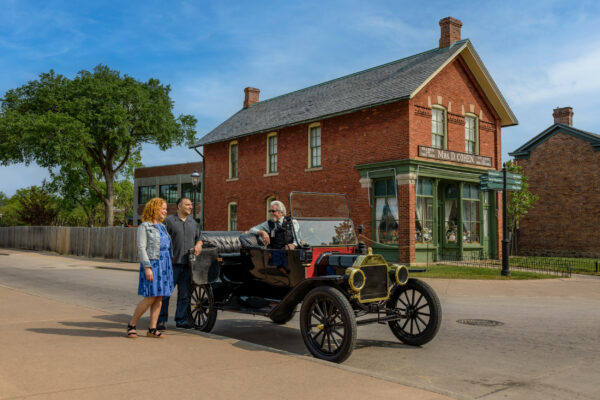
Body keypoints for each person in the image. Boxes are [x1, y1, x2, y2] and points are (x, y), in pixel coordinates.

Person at [127, 198, 174, 339]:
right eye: (163, 208)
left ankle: (152, 329)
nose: (165, 211)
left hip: (165, 264)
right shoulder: (144, 226)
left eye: (166, 209)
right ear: (154, 208)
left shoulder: (162, 226)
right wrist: (147, 267)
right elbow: (141, 248)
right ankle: (132, 325)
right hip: (152, 264)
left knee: (159, 297)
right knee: (150, 297)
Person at [157, 197, 203, 331]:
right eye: (187, 204)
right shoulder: (169, 221)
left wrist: (199, 245)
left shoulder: (194, 223)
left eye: (191, 205)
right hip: (171, 264)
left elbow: (199, 238)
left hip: (188, 266)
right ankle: (161, 320)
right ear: (179, 206)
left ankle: (181, 320)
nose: (191, 207)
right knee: (165, 294)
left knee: (184, 295)